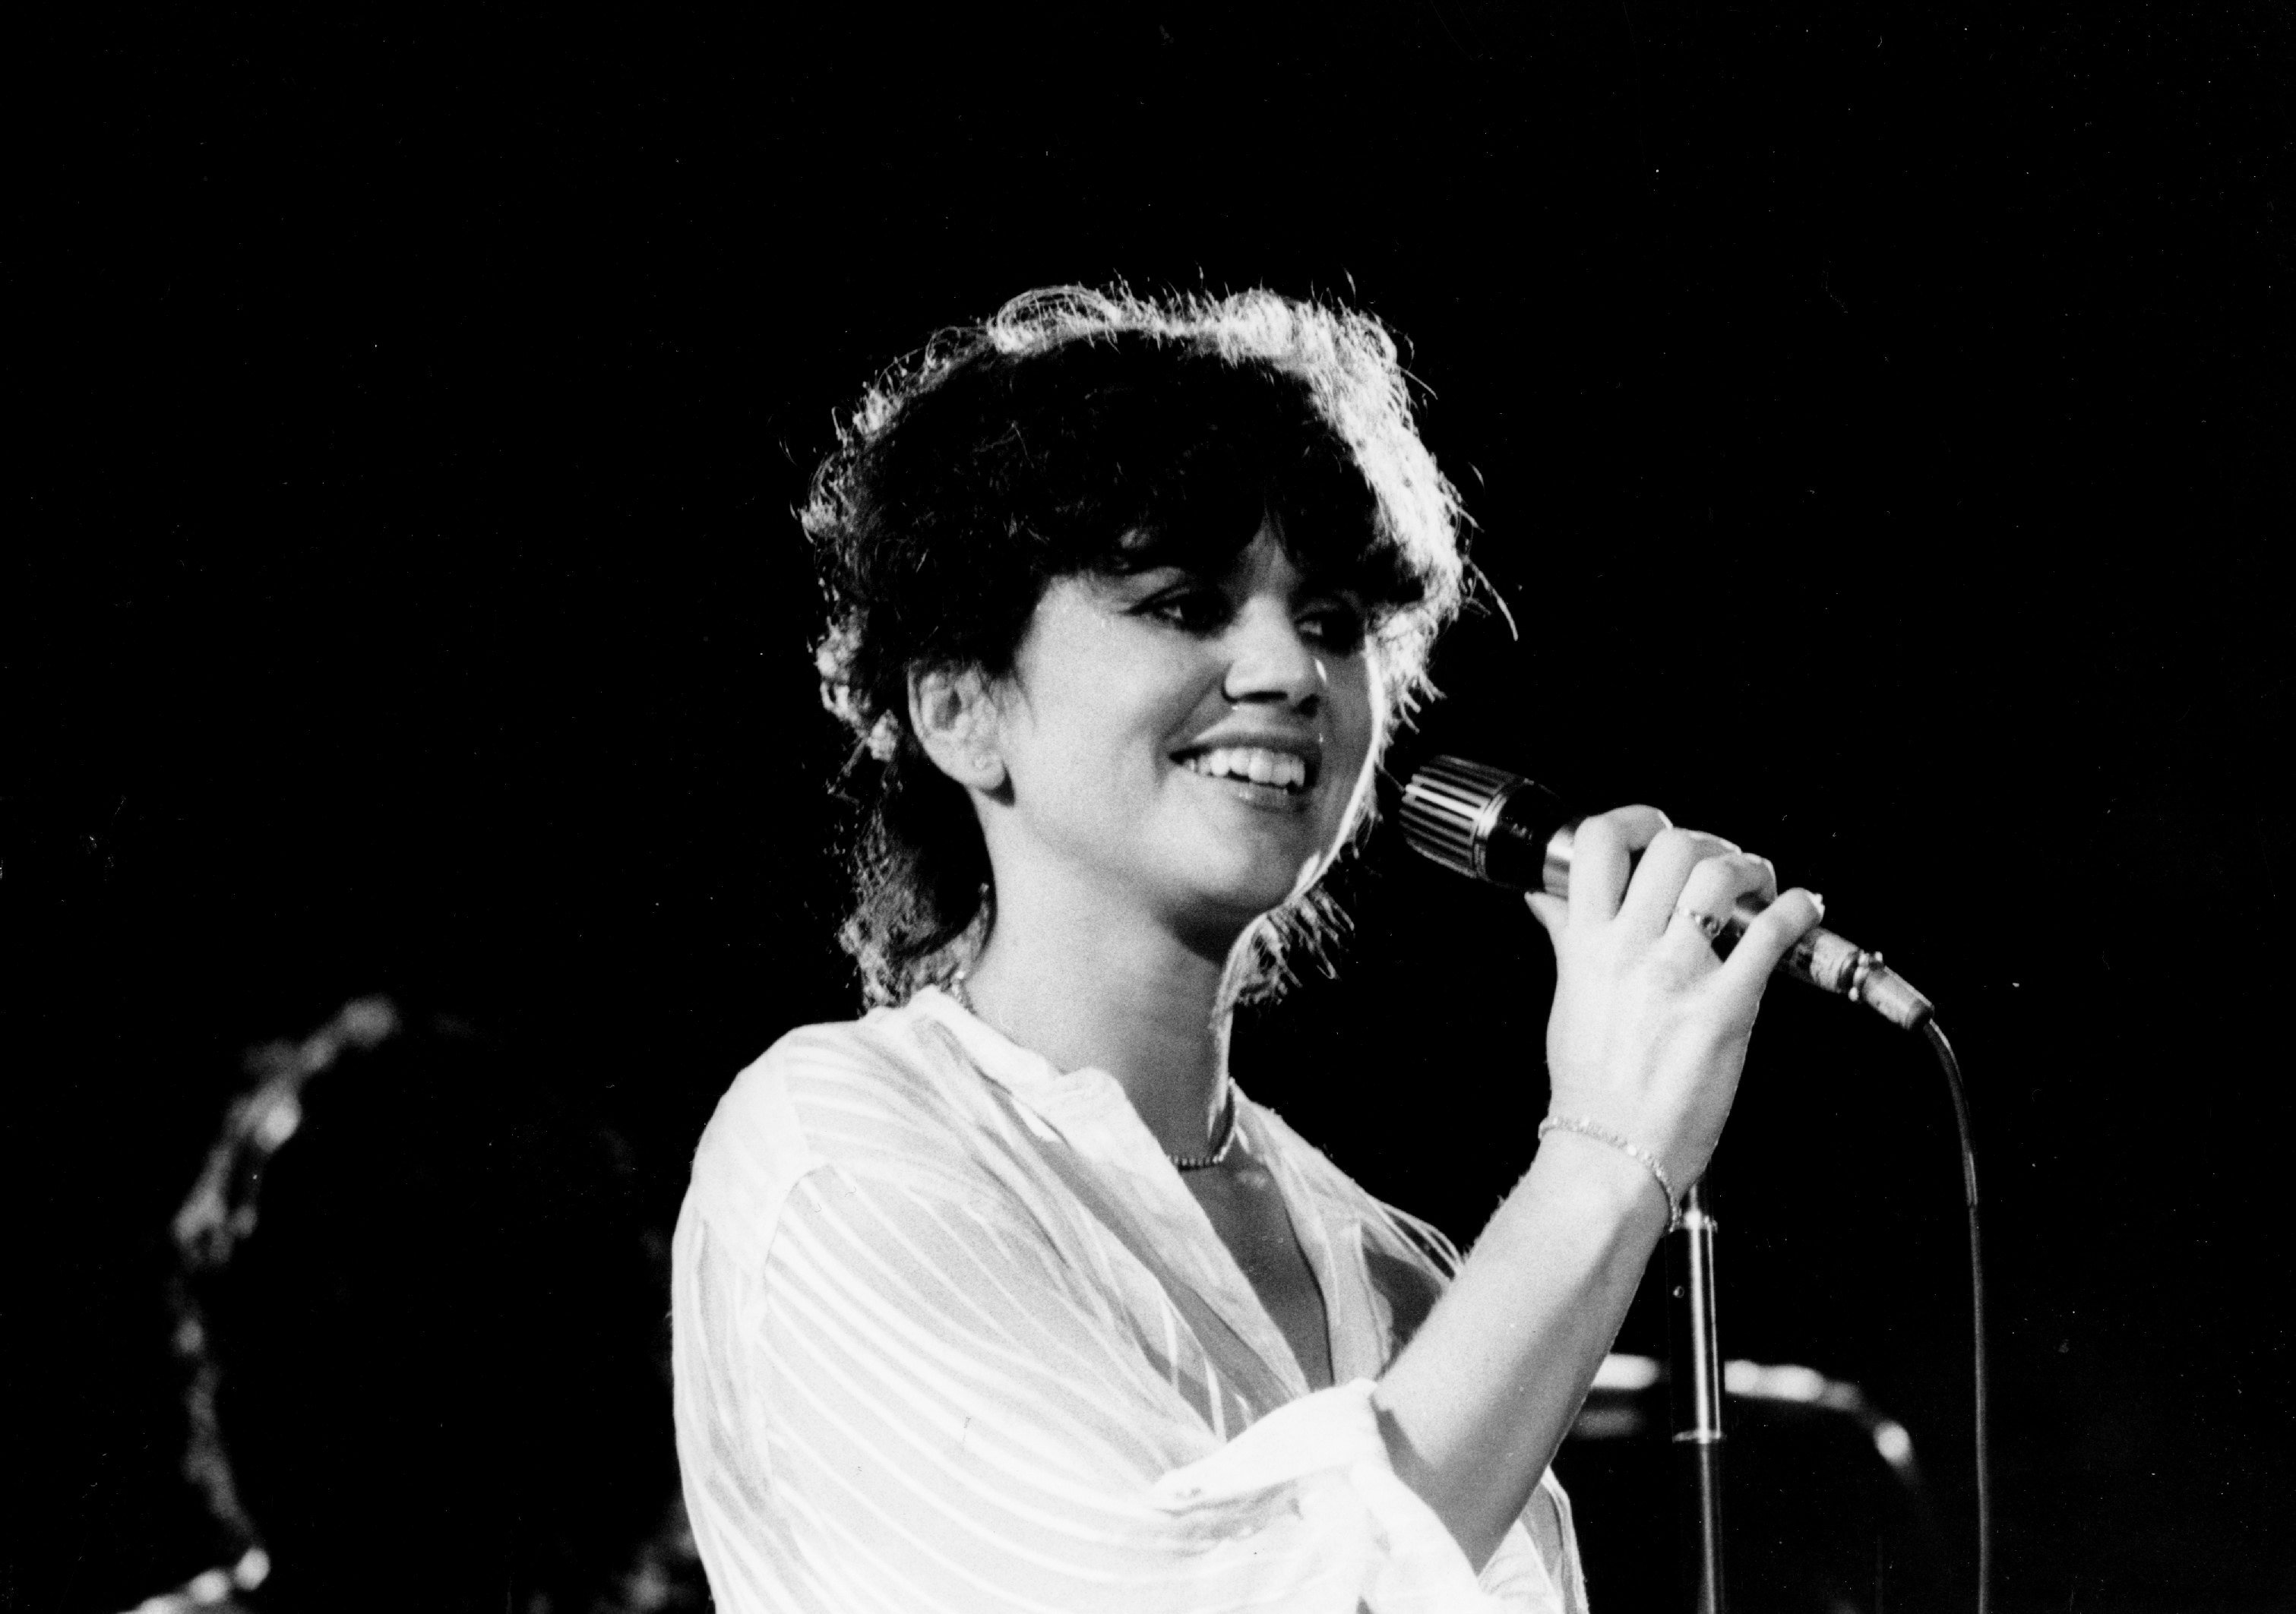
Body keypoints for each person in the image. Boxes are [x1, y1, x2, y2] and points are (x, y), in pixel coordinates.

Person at [670, 286, 1823, 1612]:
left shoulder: (1391, 1262)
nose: (1287, 669)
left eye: (1333, 621)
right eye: (1181, 603)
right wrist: (1605, 1159)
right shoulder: (838, 1149)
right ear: (958, 707)